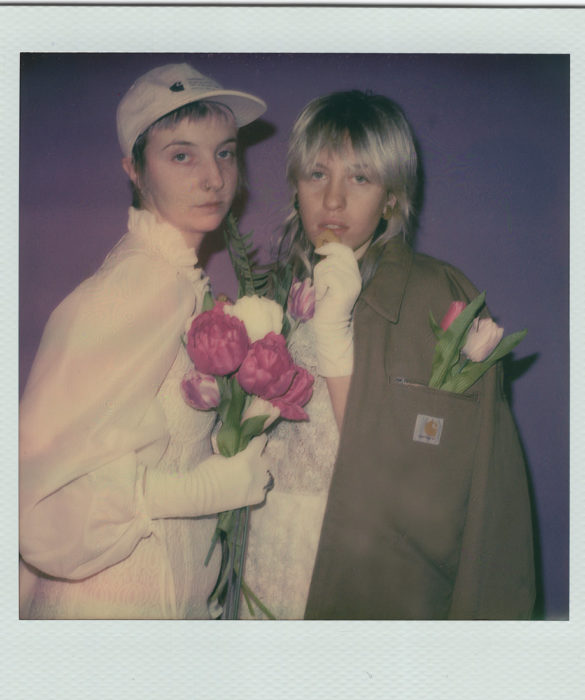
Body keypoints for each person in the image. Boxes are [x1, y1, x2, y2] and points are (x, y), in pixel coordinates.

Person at [242, 89, 535, 620]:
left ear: (392, 198)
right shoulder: (272, 297)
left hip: (359, 573)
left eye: (360, 178)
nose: (333, 200)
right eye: (316, 174)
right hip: (262, 563)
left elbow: (437, 484)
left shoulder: (438, 297)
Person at [19, 62, 273, 619]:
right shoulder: (139, 285)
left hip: (168, 586)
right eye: (182, 155)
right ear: (134, 170)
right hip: (115, 601)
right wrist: (203, 491)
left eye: (225, 152)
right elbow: (35, 498)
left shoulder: (177, 278)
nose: (213, 178)